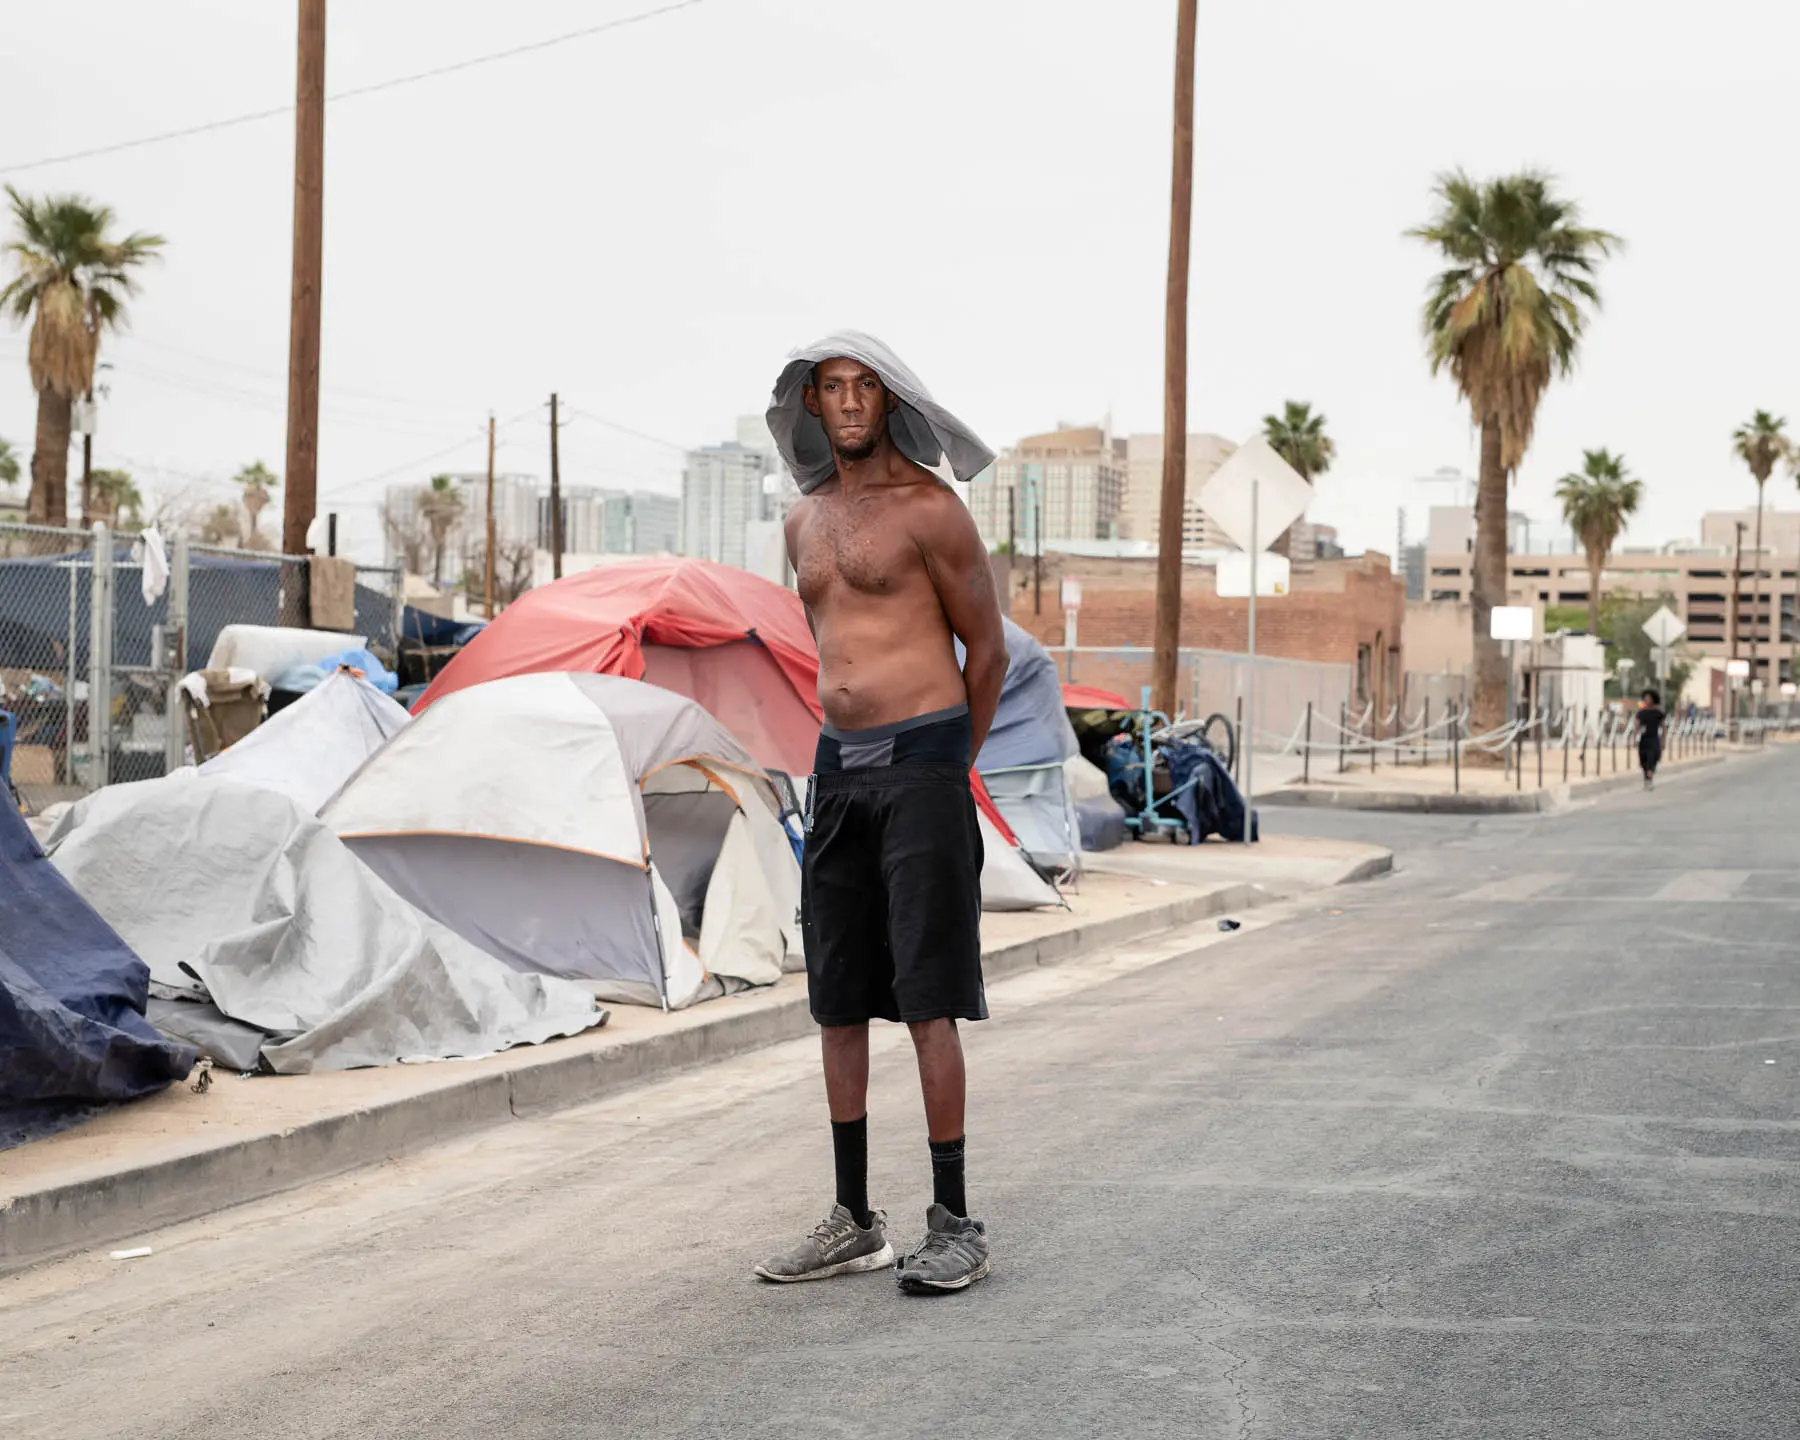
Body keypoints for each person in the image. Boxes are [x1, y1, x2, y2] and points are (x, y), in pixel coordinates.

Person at [752, 333, 1006, 1294]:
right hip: (837, 774)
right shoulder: (802, 524)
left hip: (923, 767)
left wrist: (948, 767)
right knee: (838, 999)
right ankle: (854, 1220)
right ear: (811, 404)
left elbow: (988, 652)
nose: (849, 402)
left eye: (864, 386)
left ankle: (956, 1220)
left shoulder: (934, 513)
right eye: (832, 388)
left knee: (928, 998)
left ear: (888, 399)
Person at [1637, 687, 1665, 788]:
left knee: (1653, 758)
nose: (1647, 700)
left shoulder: (1658, 713)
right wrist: (1634, 737)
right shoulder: (1641, 713)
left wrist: (1663, 740)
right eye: (1645, 698)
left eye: (1649, 698)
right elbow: (1637, 725)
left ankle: (1649, 777)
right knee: (1643, 760)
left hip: (1654, 739)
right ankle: (1647, 778)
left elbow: (1663, 727)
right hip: (1644, 739)